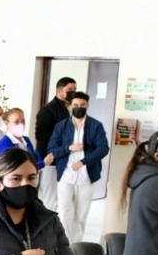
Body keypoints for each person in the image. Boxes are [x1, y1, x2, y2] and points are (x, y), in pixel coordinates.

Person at [47, 91, 110, 244]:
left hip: (86, 176)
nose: (78, 108)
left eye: (82, 105)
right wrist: (69, 147)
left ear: (87, 105)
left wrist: (84, 161)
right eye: (75, 105)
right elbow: (52, 149)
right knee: (64, 212)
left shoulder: (96, 126)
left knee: (81, 214)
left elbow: (103, 148)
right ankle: (65, 244)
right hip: (66, 175)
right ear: (70, 106)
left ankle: (76, 245)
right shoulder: (61, 126)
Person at [34, 76, 76, 209]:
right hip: (51, 159)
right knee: (48, 196)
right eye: (70, 90)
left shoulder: (71, 108)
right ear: (59, 91)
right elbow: (41, 135)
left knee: (61, 196)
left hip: (65, 158)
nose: (73, 92)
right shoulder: (48, 110)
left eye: (75, 89)